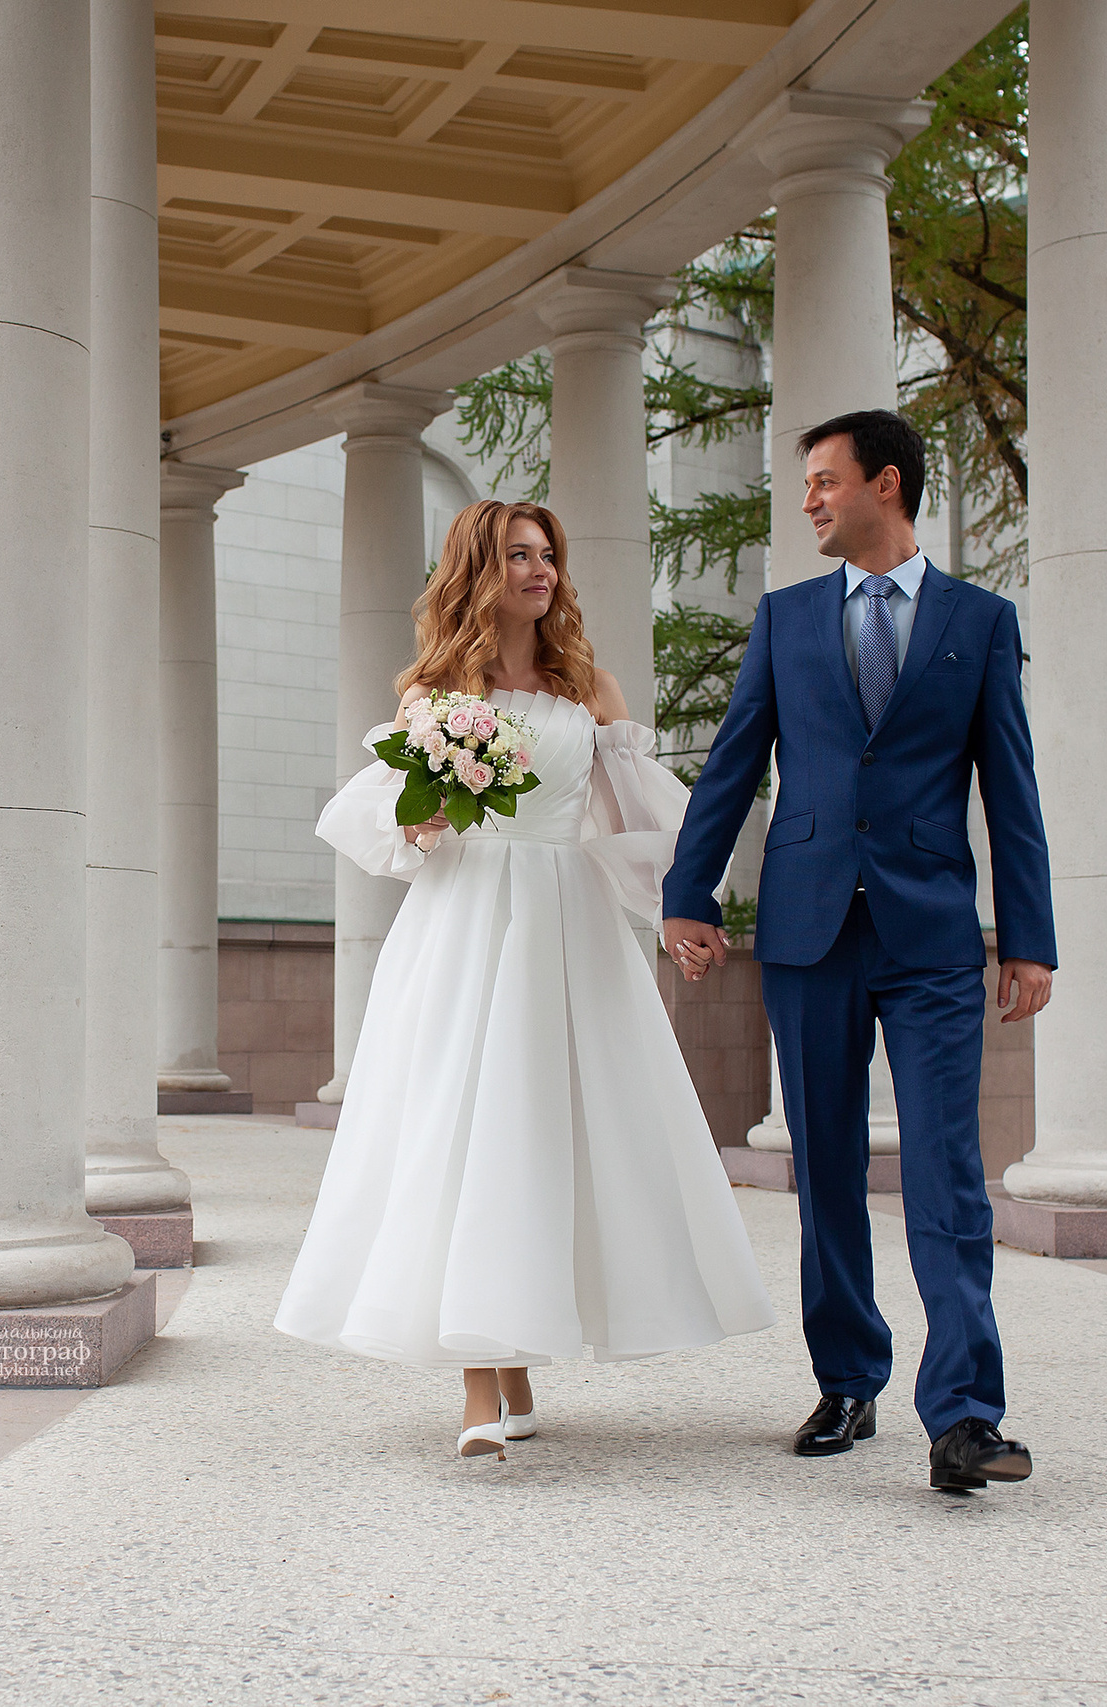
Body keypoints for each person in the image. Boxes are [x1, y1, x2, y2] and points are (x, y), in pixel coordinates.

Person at [276, 499, 774, 1461]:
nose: (540, 570)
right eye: (518, 555)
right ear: (480, 569)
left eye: (548, 553)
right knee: (467, 1129)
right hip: (465, 922)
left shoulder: (590, 688)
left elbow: (634, 818)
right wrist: (424, 818)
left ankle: (515, 1361)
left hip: (567, 924)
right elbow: (390, 825)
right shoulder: (435, 695)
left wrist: (676, 912)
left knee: (546, 1134)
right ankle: (480, 1381)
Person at [660, 409, 1056, 1493]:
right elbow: (737, 762)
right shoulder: (786, 619)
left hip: (930, 932)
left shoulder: (977, 623)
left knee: (945, 1171)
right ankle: (847, 1379)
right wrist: (688, 894)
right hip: (806, 928)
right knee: (825, 1164)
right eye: (806, 487)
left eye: (826, 482)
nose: (810, 502)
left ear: (886, 483)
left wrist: (1028, 936)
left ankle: (966, 1413)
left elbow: (1010, 790)